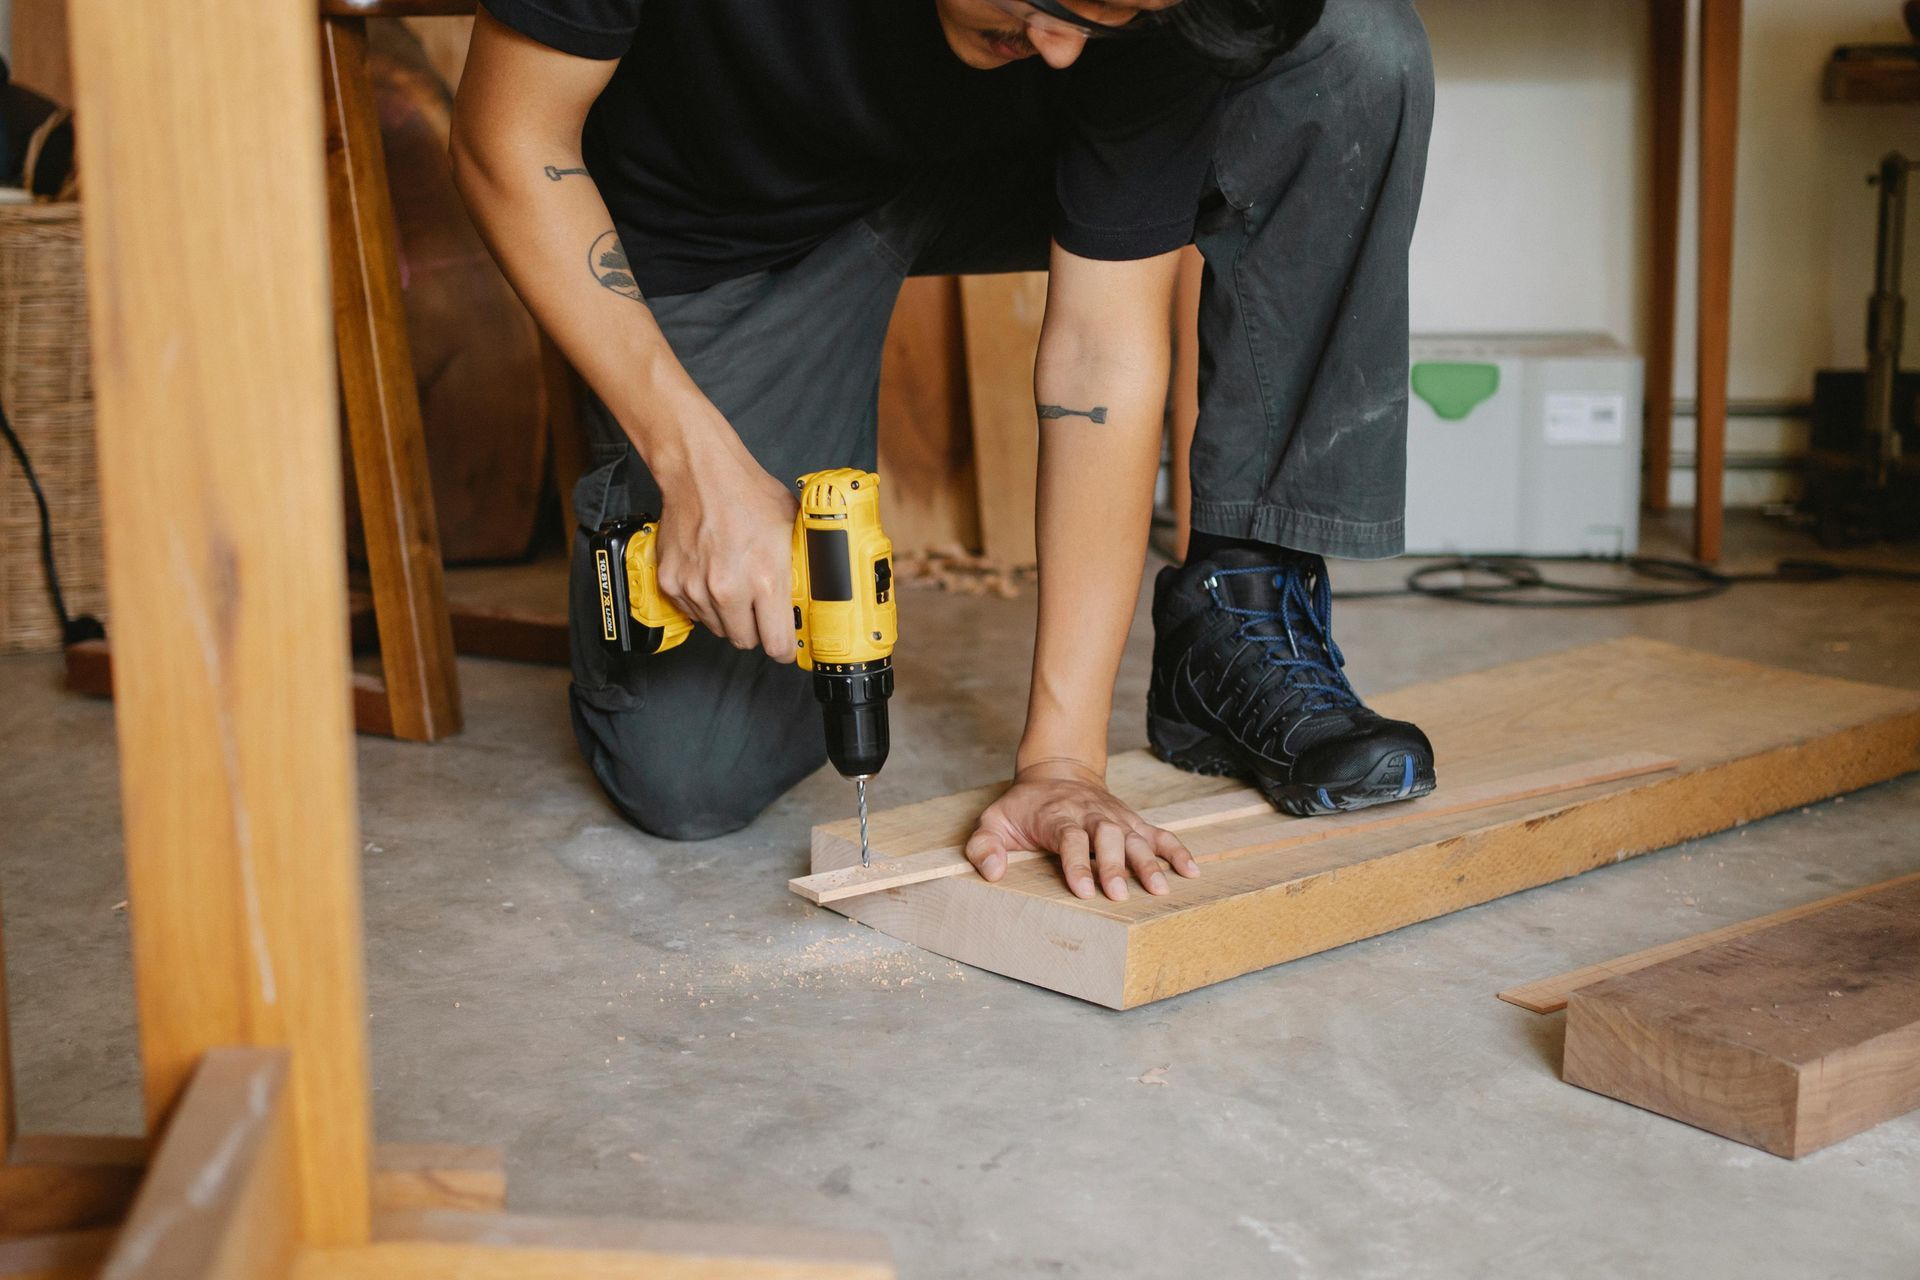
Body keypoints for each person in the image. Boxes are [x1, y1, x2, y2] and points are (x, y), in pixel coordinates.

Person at [450, 0, 1436, 904]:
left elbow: (1100, 350)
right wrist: (695, 465)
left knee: (1349, 51)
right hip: (729, 231)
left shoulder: (1104, 22)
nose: (1059, 47)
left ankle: (1239, 606)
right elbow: (510, 134)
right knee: (692, 774)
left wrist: (1063, 763)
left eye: (1108, 19)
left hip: (1001, 164)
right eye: (1059, 6)